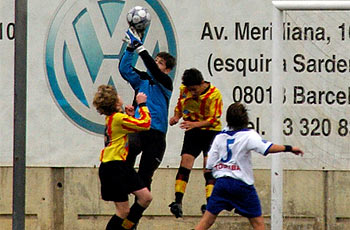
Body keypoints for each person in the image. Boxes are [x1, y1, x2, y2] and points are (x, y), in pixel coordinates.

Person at [194, 102, 304, 230]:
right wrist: (289, 148)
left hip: (222, 184)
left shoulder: (220, 137)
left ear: (228, 120)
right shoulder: (248, 135)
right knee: (258, 224)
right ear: (245, 119)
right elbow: (267, 148)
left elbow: (209, 165)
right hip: (241, 185)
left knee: (206, 222)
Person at [119, 28, 176, 190]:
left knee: (144, 178)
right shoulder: (142, 80)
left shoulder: (165, 82)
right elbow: (124, 69)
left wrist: (139, 46)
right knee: (125, 161)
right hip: (139, 127)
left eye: (160, 62)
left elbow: (152, 69)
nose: (156, 63)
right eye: (156, 60)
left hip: (156, 134)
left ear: (167, 70)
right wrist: (130, 48)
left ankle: (136, 211)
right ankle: (124, 205)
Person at [93, 85, 152, 230]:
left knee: (145, 198)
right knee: (123, 210)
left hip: (120, 165)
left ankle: (126, 228)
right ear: (115, 102)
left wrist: (130, 116)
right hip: (113, 166)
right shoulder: (117, 118)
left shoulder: (113, 118)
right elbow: (145, 124)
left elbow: (127, 129)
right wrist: (142, 104)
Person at [168, 68, 223, 218]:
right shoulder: (184, 90)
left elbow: (214, 120)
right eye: (189, 89)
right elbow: (180, 106)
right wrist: (176, 117)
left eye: (194, 89)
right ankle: (177, 202)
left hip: (210, 132)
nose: (192, 93)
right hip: (193, 130)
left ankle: (210, 205)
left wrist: (195, 124)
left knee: (208, 168)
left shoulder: (214, 94)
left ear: (202, 83)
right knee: (186, 162)